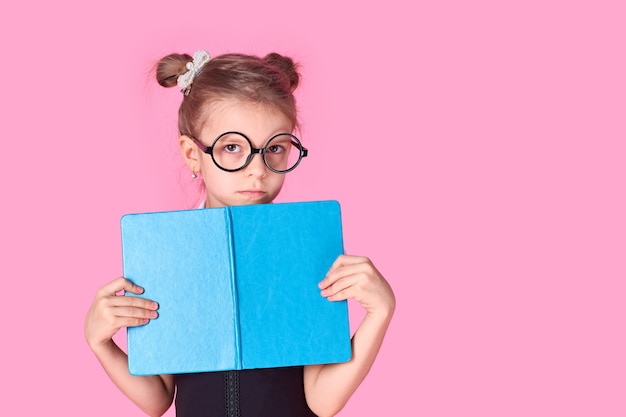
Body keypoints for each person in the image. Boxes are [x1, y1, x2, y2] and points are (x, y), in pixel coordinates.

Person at [84, 49, 395, 417]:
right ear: (192, 153)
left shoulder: (303, 246)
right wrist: (100, 341)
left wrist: (379, 313)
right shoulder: (169, 251)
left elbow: (322, 400)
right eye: (233, 147)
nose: (257, 170)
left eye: (275, 148)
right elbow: (158, 398)